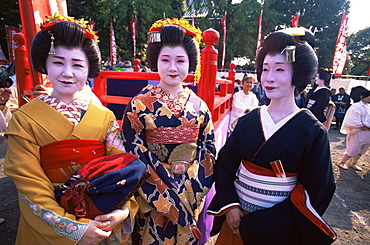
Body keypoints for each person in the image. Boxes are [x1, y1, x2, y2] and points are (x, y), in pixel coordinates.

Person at [4, 15, 138, 245]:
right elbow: (29, 184)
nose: (67, 72)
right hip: (49, 221)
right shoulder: (24, 119)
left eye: (77, 65)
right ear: (44, 65)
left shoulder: (105, 118)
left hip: (100, 215)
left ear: (89, 70)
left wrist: (123, 210)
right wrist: (73, 229)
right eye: (58, 63)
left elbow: (121, 169)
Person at [207, 30, 336, 244]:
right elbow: (225, 165)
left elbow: (317, 189)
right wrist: (230, 205)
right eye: (265, 69)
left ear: (299, 75)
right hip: (236, 220)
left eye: (279, 69)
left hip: (278, 231)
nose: (269, 78)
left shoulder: (312, 131)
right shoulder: (249, 121)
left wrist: (264, 224)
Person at [121, 19, 216, 244]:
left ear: (190, 63)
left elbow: (208, 148)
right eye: (165, 60)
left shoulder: (199, 106)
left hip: (191, 187)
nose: (172, 67)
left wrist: (193, 187)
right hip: (153, 190)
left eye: (180, 60)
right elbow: (132, 148)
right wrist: (162, 187)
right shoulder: (139, 104)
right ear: (156, 61)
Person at [337, 87, 370, 171]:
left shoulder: (368, 106)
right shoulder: (356, 106)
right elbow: (353, 120)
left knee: (363, 149)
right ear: (361, 96)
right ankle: (342, 162)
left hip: (367, 133)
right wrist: (365, 126)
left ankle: (353, 163)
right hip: (358, 131)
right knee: (353, 148)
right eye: (368, 96)